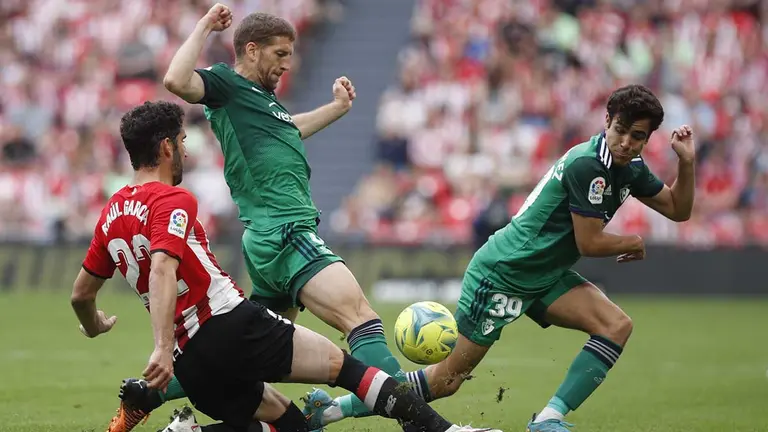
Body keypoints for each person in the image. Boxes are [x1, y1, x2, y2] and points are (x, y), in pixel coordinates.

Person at [72, 101, 501, 432]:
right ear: (166, 147)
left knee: (291, 425)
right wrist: (161, 347)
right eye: (181, 141)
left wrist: (93, 326)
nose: (184, 149)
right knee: (346, 368)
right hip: (227, 324)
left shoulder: (111, 213)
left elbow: (81, 294)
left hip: (192, 361)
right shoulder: (174, 199)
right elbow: (164, 268)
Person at [105, 4, 423, 430]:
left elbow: (287, 128)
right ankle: (412, 411)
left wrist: (337, 109)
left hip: (269, 237)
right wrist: (203, 26)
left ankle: (148, 394)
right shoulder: (228, 84)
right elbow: (176, 80)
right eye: (279, 54)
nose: (288, 64)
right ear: (251, 51)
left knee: (243, 356)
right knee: (360, 317)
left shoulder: (262, 103)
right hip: (283, 229)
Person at [308, 84, 696, 432]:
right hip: (505, 273)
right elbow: (589, 243)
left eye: (638, 136)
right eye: (621, 130)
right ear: (606, 120)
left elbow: (679, 210)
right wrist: (634, 242)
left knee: (616, 326)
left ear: (647, 139)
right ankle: (330, 410)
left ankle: (549, 419)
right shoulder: (588, 165)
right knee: (447, 380)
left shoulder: (630, 168)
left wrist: (687, 162)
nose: (627, 142)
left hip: (544, 273)